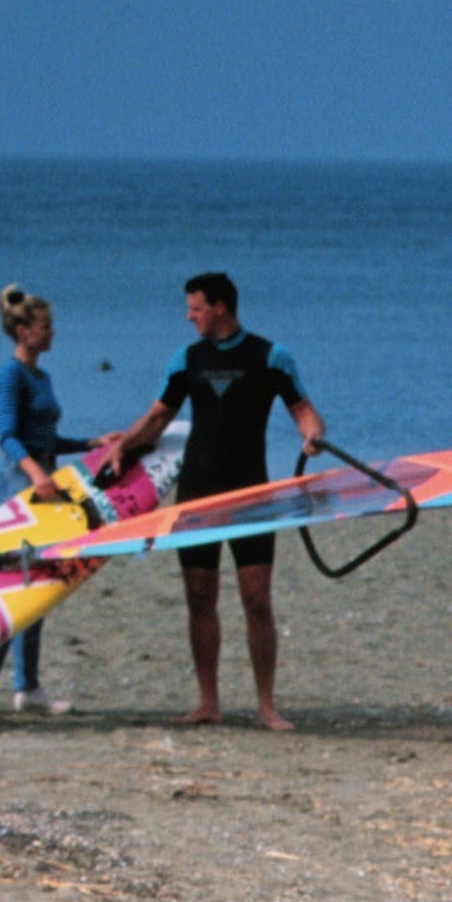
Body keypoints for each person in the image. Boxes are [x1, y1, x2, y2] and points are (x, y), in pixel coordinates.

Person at [94, 271, 326, 730]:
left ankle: (266, 705)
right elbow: (159, 416)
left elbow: (302, 410)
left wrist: (313, 435)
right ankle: (208, 703)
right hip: (198, 489)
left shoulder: (270, 356)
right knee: (199, 597)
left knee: (256, 598)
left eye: (195, 308)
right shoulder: (187, 360)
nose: (189, 316)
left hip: (251, 491)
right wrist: (124, 446)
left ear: (220, 307)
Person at [0, 286, 87, 717]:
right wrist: (35, 473)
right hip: (19, 485)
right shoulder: (9, 375)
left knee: (41, 587)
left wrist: (93, 444)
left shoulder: (42, 377)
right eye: (44, 326)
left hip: (46, 484)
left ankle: (28, 688)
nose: (52, 332)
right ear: (22, 330)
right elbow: (7, 436)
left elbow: (47, 439)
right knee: (12, 588)